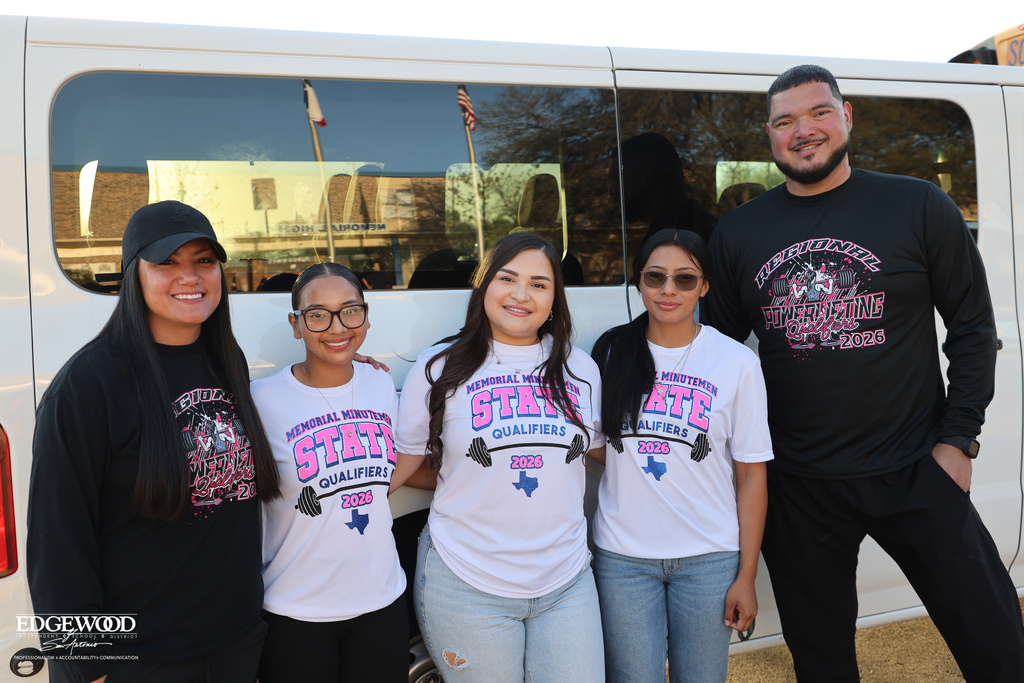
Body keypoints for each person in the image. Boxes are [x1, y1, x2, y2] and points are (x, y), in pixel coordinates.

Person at [704, 64, 1024, 683]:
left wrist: (958, 441)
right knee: (822, 663)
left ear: (847, 117)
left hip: (914, 469)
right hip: (799, 486)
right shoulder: (741, 232)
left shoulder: (918, 206)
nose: (804, 131)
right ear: (768, 137)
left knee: (998, 645)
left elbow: (974, 330)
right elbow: (710, 354)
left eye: (818, 112)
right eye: (785, 121)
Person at [27, 200, 282, 683]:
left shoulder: (226, 360)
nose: (190, 276)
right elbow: (58, 536)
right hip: (137, 661)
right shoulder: (91, 382)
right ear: (133, 275)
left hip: (234, 643)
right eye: (167, 262)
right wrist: (86, 662)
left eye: (203, 261)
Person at [395, 232, 606, 683]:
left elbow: (605, 452)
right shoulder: (438, 367)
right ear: (484, 285)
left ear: (555, 298)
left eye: (538, 283)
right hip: (466, 582)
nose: (520, 294)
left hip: (565, 581)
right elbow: (408, 463)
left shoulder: (579, 368)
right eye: (507, 278)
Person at [590, 228, 771, 683]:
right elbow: (592, 441)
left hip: (709, 560)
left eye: (684, 279)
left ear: (704, 286)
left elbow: (751, 475)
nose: (668, 290)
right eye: (655, 277)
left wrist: (746, 576)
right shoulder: (610, 352)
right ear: (640, 283)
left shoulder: (736, 362)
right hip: (624, 559)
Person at [253, 262, 422, 683]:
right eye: (317, 314)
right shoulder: (261, 398)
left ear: (365, 316)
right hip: (295, 608)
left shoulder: (380, 382)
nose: (336, 326)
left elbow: (401, 455)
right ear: (296, 325)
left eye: (350, 310)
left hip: (380, 601)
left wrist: (371, 489)